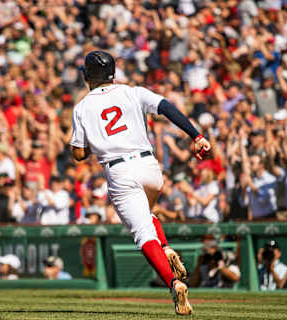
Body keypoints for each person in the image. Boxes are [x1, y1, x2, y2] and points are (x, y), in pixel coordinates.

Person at [70, 51, 211, 315]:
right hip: (149, 167)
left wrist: (94, 144)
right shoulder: (132, 92)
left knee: (143, 234)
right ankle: (166, 247)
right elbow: (167, 107)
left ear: (88, 75)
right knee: (147, 216)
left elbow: (78, 154)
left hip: (120, 172)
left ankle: (173, 283)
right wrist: (197, 136)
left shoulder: (82, 107)